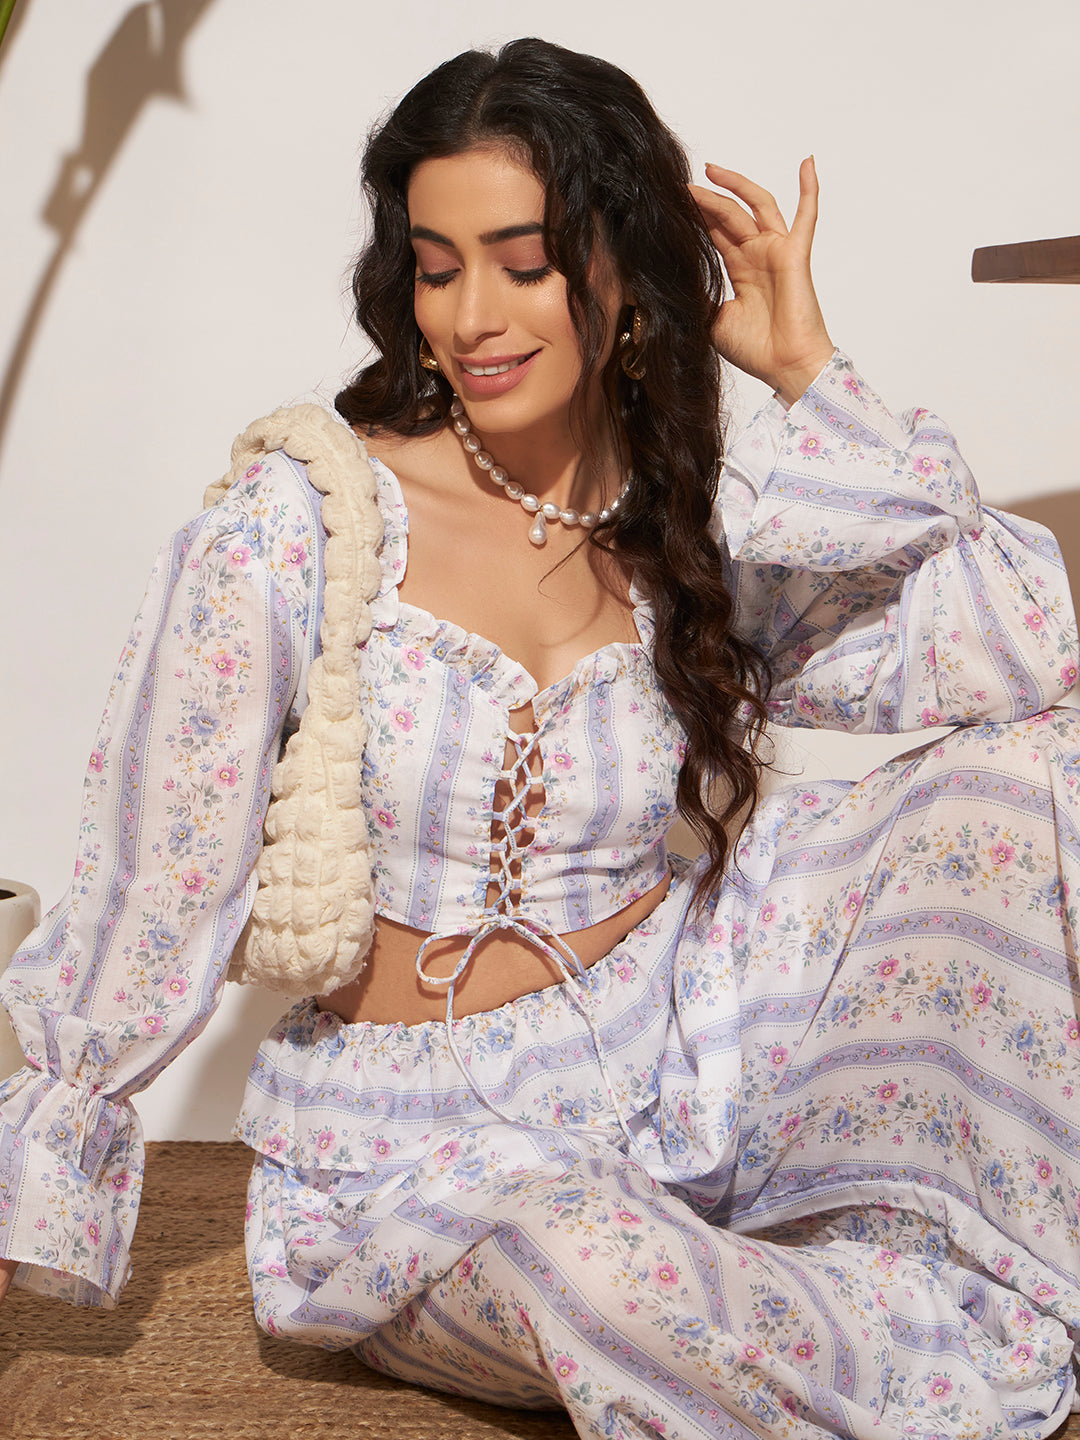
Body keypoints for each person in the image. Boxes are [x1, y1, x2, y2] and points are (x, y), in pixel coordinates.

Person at [2, 35, 1079, 1440]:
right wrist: (47, 1165)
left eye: (524, 264)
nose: (472, 317)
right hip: (413, 1151)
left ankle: (905, 1288)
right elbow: (159, 875)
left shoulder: (686, 515)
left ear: (622, 272)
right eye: (436, 267)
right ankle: (876, 1349)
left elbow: (1019, 656)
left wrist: (810, 375)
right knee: (597, 1264)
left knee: (1028, 779)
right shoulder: (300, 527)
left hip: (684, 1053)